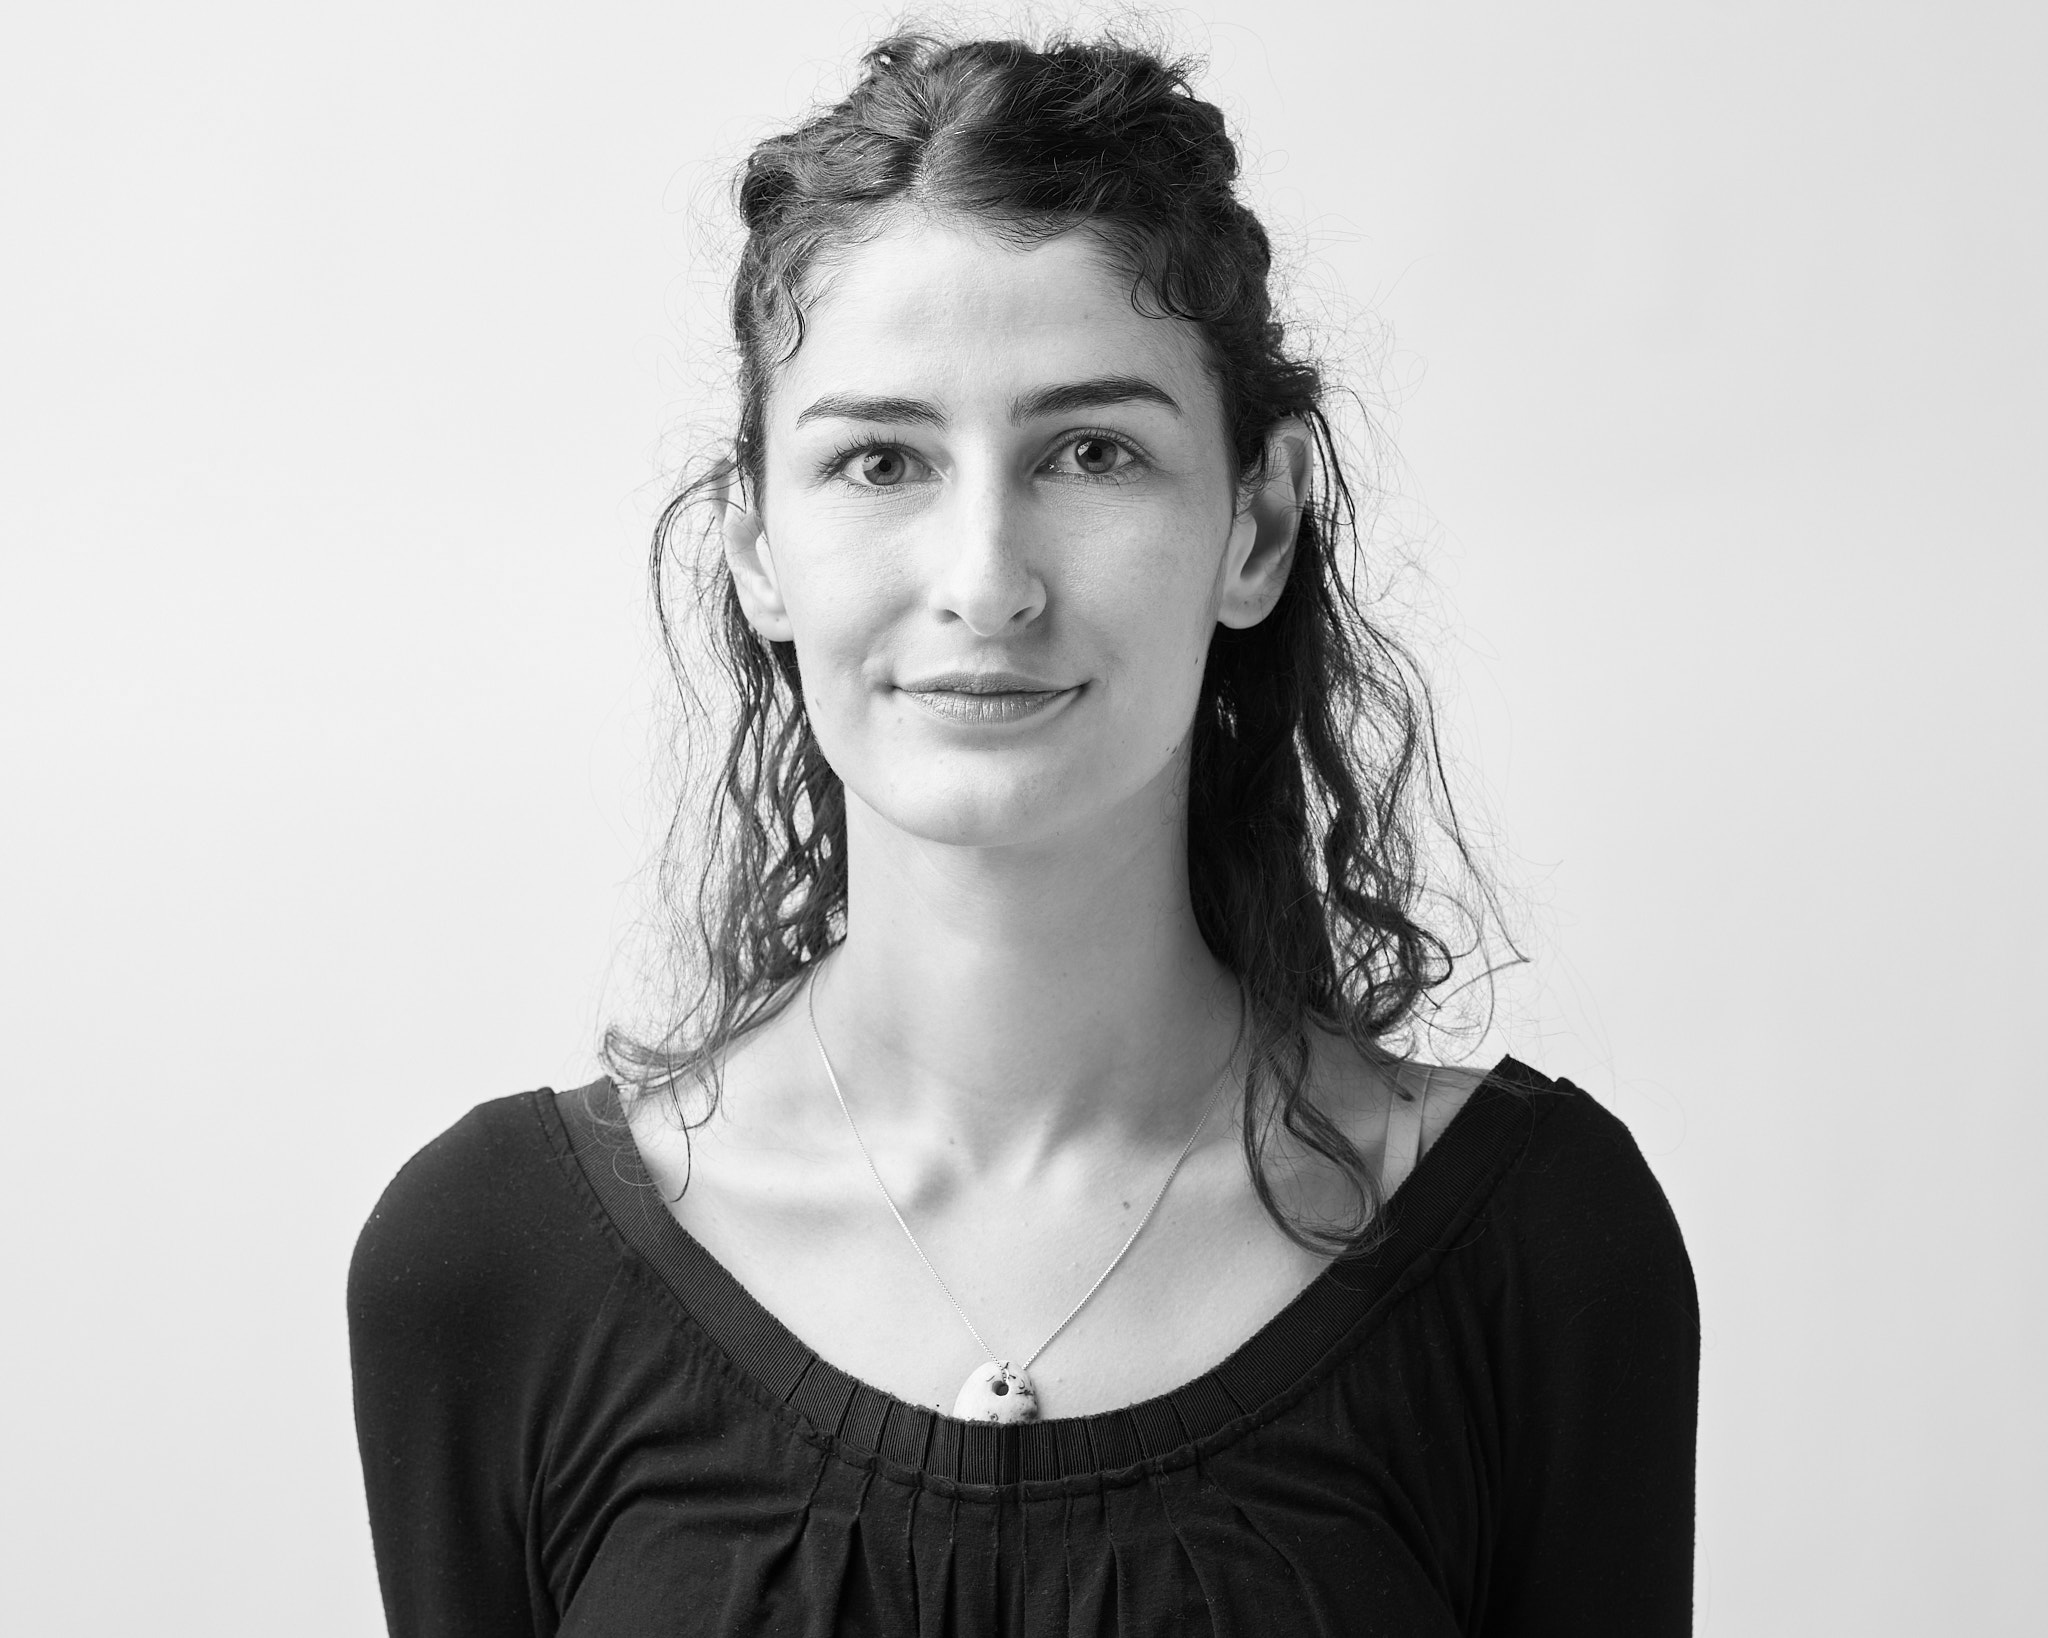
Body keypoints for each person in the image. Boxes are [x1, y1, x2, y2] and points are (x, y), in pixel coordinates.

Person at [348, 29, 1699, 1637]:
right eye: (879, 460)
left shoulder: (1537, 1248)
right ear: (758, 549)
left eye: (1090, 451)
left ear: (1255, 524)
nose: (985, 577)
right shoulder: (486, 1271)